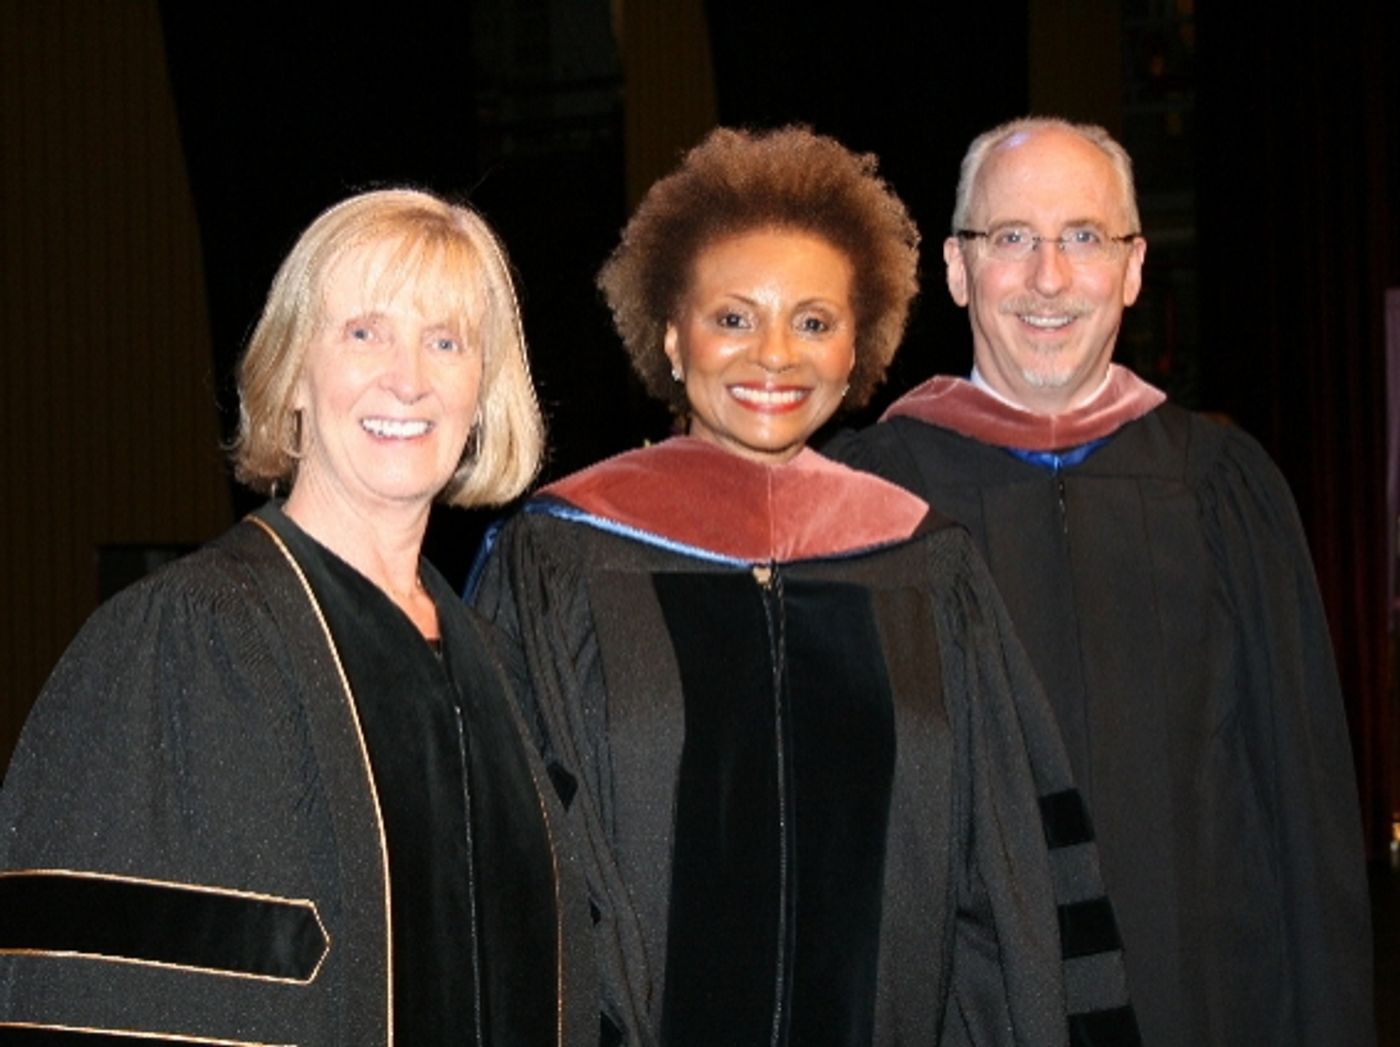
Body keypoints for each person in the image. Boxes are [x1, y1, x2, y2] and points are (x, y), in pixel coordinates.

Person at [470, 126, 1138, 1046]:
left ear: (857, 347)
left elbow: (1011, 888)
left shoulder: (925, 567)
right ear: (672, 335)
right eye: (734, 319)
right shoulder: (563, 561)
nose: (776, 355)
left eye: (814, 322)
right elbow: (510, 871)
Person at [826, 117, 1374, 1046]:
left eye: (1084, 236)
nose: (1049, 277)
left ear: (1132, 267)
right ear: (958, 268)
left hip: (1208, 1011)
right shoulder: (869, 500)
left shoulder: (1222, 489)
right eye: (1012, 237)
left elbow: (1306, 821)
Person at [0, 189, 593, 1044]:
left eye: (446, 341)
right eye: (364, 332)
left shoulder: (499, 670)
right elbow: (120, 999)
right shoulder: (191, 645)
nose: (409, 378)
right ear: (293, 375)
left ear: (483, 391)